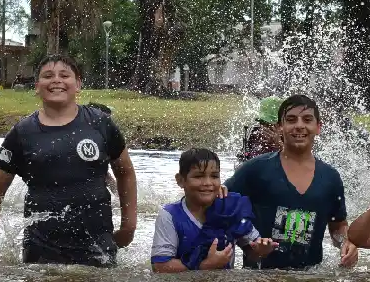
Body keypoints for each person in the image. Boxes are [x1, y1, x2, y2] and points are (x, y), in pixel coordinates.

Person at [0, 55, 138, 267]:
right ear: (37, 86)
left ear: (78, 84)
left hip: (98, 246)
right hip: (40, 250)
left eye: (64, 75)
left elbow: (125, 172)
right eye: (48, 76)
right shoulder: (23, 132)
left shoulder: (100, 123)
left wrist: (129, 225)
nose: (56, 80)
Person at [223, 94, 358, 270]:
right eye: (291, 120)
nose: (299, 126)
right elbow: (220, 202)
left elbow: (337, 226)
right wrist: (247, 242)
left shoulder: (331, 177)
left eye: (307, 120)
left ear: (318, 127)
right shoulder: (255, 169)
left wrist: (346, 243)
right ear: (280, 127)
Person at [150, 148, 278, 272]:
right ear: (180, 180)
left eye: (214, 176)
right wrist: (205, 266)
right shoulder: (170, 215)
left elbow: (252, 252)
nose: (208, 183)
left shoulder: (230, 209)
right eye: (198, 176)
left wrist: (261, 250)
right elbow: (160, 267)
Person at [239, 97, 283, 162]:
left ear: (282, 124)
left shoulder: (291, 138)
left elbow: (298, 162)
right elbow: (241, 161)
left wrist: (279, 145)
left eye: (269, 124)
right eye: (262, 122)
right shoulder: (253, 133)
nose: (264, 128)